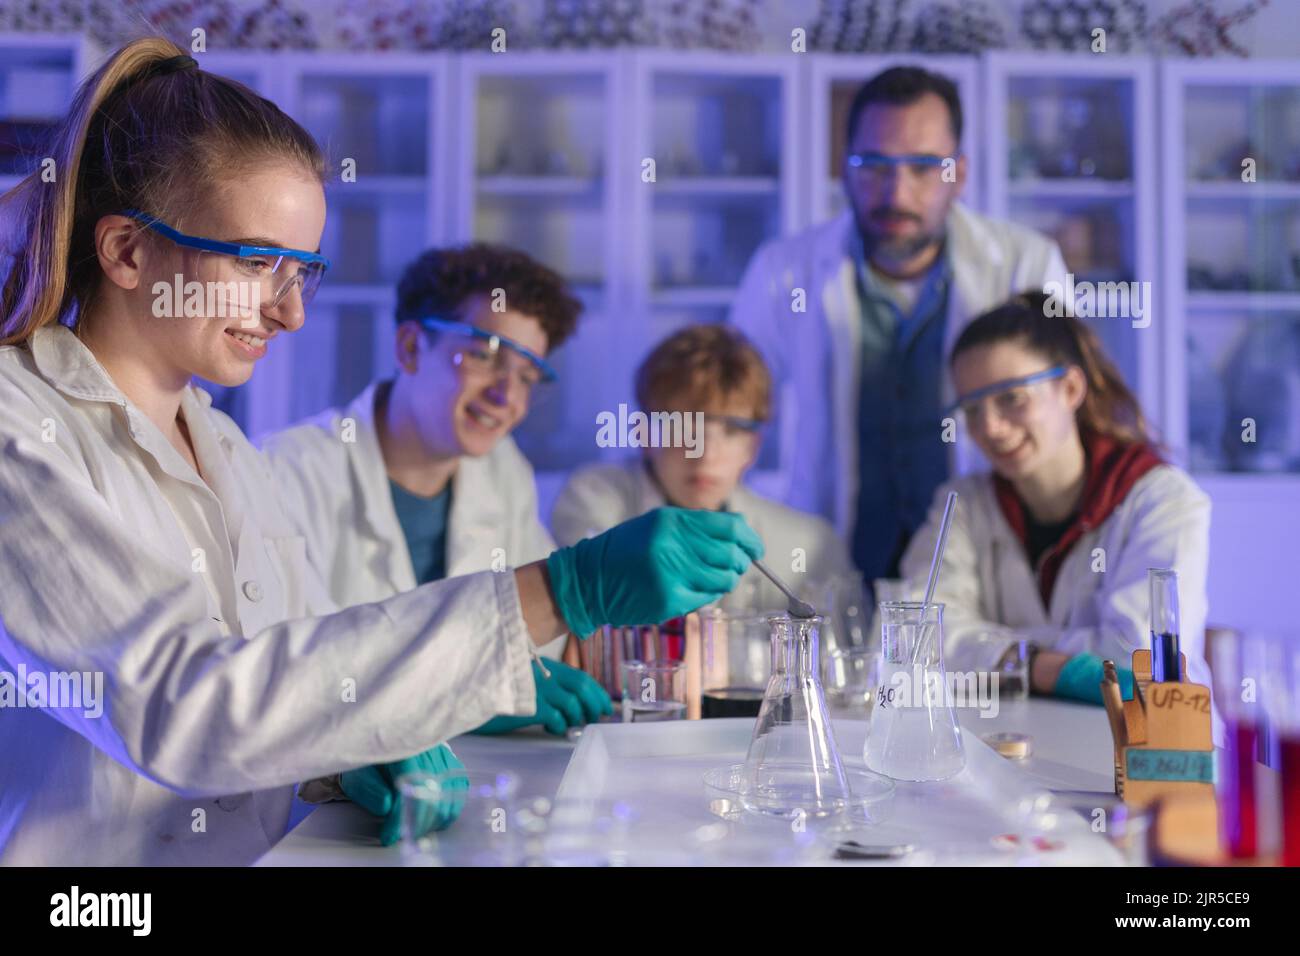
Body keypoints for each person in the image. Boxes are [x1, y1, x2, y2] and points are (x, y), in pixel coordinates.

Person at [0, 38, 761, 865]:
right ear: (126, 251)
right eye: (259, 263)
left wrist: (351, 749)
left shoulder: (220, 445)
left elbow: (293, 685)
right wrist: (559, 591)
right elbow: (186, 710)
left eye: (304, 273)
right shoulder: (18, 430)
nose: (288, 314)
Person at [730, 65, 1068, 587]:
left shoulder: (1027, 266)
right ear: (843, 169)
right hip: (830, 560)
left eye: (924, 166)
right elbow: (730, 411)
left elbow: (1066, 426)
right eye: (874, 165)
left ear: (960, 173)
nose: (897, 192)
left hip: (984, 567)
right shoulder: (784, 273)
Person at [260, 244, 613, 737]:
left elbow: (539, 647)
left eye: (527, 376)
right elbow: (282, 681)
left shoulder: (503, 470)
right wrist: (466, 692)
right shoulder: (285, 474)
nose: (506, 396)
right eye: (484, 355)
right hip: (324, 801)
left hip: (478, 779)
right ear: (409, 347)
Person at [899, 293, 1216, 732]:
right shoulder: (964, 504)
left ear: (1069, 388)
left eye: (1011, 398)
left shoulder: (1161, 500)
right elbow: (913, 635)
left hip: (1150, 748)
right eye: (972, 409)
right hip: (1020, 740)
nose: (989, 427)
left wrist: (1003, 654)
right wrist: (1047, 665)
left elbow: (1135, 656)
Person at [552, 324, 852, 610]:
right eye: (683, 426)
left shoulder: (810, 547)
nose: (705, 453)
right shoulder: (594, 503)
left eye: (732, 429)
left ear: (753, 447)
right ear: (642, 433)